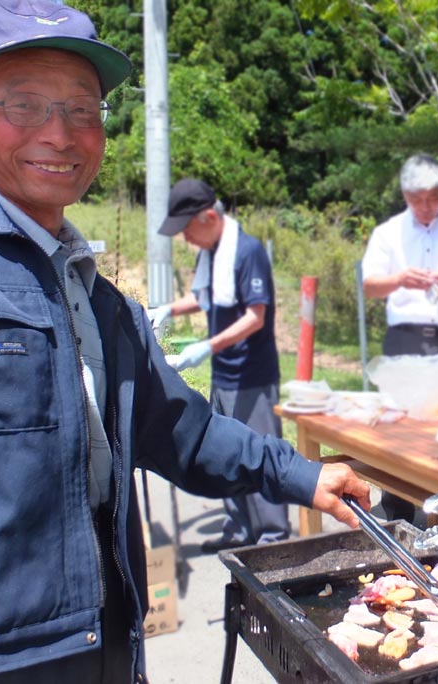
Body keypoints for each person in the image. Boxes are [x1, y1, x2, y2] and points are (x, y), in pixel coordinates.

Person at [0, 2, 370, 683]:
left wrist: (304, 475)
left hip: (107, 643)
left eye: (83, 110)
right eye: (24, 104)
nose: (60, 134)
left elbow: (182, 428)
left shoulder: (102, 302)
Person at [148, 179, 290, 554]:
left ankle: (274, 539)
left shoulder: (247, 251)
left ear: (209, 216)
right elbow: (202, 296)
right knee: (229, 453)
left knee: (262, 453)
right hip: (223, 375)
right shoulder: (210, 253)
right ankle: (239, 531)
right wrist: (166, 310)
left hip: (252, 375)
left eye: (187, 229)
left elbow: (255, 317)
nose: (185, 239)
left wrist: (205, 347)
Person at [361, 154, 438, 523]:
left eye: (432, 199)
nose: (425, 208)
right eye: (416, 200)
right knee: (399, 425)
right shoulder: (388, 233)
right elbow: (370, 285)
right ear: (405, 196)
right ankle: (396, 509)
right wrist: (400, 279)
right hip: (404, 338)